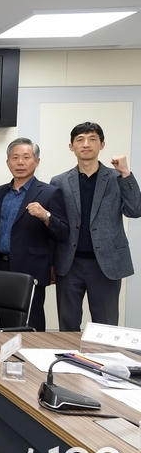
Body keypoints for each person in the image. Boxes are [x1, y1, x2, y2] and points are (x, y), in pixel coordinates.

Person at [51, 122, 141, 331]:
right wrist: (51, 263)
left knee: (106, 328)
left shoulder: (117, 178)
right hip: (69, 263)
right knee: (67, 325)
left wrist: (126, 173)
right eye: (80, 140)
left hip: (106, 264)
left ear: (102, 145)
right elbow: (55, 225)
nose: (86, 144)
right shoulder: (59, 181)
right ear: (71, 146)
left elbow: (135, 210)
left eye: (92, 139)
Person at [0, 138, 68, 331]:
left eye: (26, 157)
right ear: (8, 162)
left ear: (37, 161)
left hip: (31, 268)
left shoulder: (50, 193)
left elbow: (63, 232)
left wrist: (45, 216)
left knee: (32, 322)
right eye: (15, 158)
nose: (20, 163)